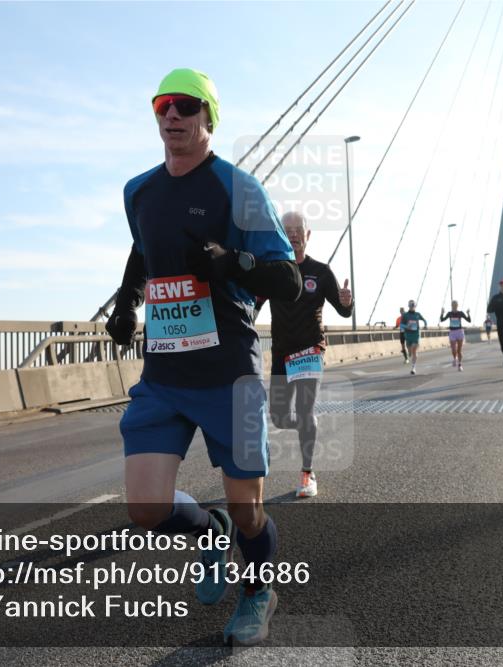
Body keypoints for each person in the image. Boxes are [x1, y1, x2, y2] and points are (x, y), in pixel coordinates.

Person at [104, 68, 301, 646]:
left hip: (227, 373)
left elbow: (287, 279)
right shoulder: (138, 191)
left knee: (249, 510)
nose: (172, 116)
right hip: (164, 373)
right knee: (145, 506)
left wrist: (232, 264)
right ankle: (209, 531)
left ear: (208, 117)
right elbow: (143, 250)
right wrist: (126, 304)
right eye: (162, 105)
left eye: (185, 107)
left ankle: (258, 590)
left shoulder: (238, 189)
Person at [258, 211, 352, 499]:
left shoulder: (321, 271)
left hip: (310, 349)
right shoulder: (273, 271)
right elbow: (254, 305)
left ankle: (307, 472)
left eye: (299, 229)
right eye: (287, 229)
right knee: (279, 417)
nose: (293, 233)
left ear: (308, 235)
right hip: (281, 352)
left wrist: (347, 301)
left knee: (306, 410)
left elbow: (343, 309)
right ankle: (307, 426)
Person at [440, 300, 471, 370]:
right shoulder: (449, 313)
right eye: (453, 305)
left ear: (457, 305)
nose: (454, 306)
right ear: (451, 305)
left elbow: (469, 320)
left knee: (459, 350)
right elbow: (442, 320)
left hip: (459, 332)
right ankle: (455, 358)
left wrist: (468, 313)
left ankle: (460, 365)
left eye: (455, 305)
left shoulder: (460, 313)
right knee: (454, 349)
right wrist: (442, 313)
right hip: (452, 332)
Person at [401, 300, 428, 375]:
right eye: (410, 305)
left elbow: (424, 320)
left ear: (415, 306)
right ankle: (409, 352)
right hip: (408, 336)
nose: (412, 307)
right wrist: (407, 326)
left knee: (414, 351)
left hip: (416, 335)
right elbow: (401, 325)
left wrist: (426, 325)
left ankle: (413, 367)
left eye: (413, 305)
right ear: (408, 306)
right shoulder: (405, 315)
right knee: (410, 351)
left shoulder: (417, 314)